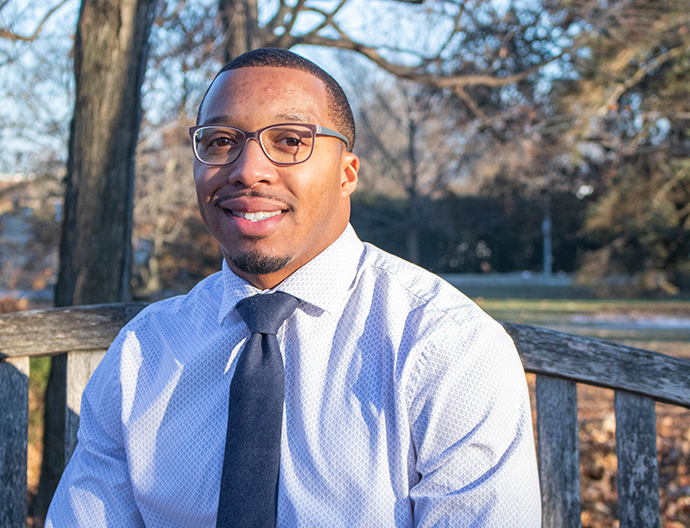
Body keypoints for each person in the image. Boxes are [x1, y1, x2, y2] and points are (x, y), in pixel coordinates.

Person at [46, 48, 541, 527]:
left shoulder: (446, 348)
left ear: (347, 174)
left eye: (289, 141)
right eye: (220, 141)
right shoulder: (144, 352)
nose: (248, 170)